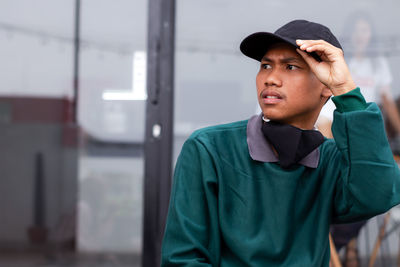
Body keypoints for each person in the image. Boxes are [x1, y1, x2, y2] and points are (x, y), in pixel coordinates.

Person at [161, 20, 400, 266]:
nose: (271, 78)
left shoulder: (329, 160)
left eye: (290, 66)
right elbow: (183, 259)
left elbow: (380, 193)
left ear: (325, 85)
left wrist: (344, 88)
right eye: (265, 65)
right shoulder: (209, 149)